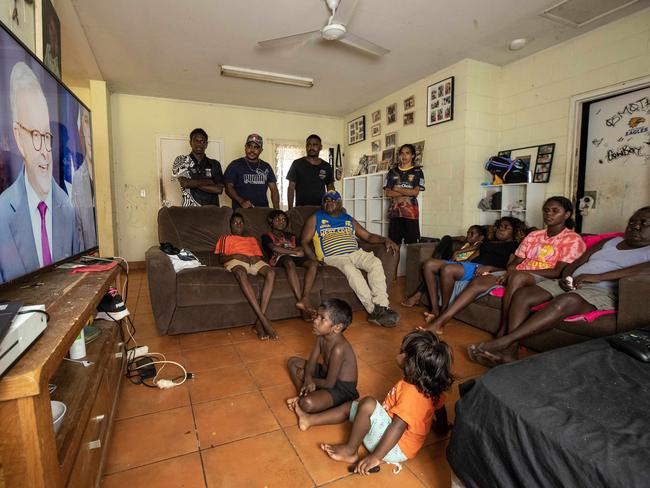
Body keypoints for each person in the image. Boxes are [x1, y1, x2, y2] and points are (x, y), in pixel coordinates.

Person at [469, 206, 650, 367]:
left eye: (644, 223)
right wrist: (567, 276)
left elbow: (642, 269)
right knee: (523, 295)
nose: (635, 226)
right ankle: (510, 353)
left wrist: (597, 277)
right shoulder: (609, 242)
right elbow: (578, 261)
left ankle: (503, 342)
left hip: (601, 290)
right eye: (632, 222)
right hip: (574, 282)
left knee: (567, 300)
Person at [293, 330, 453, 475]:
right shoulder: (431, 386)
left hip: (393, 448)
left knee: (368, 404)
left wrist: (376, 457)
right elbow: (440, 409)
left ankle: (350, 450)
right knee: (353, 406)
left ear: (409, 363)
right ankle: (309, 420)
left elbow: (397, 427)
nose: (399, 352)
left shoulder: (411, 392)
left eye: (402, 351)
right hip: (399, 444)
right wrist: (442, 428)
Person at [425, 197, 586, 335]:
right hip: (518, 273)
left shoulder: (572, 239)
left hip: (543, 277)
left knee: (518, 276)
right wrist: (508, 272)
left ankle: (503, 329)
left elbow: (558, 271)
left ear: (567, 214)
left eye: (554, 210)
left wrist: (516, 273)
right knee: (478, 282)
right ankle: (441, 322)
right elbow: (515, 262)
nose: (548, 214)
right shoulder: (534, 235)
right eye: (546, 210)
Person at [0, 62, 79, 283]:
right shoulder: (2, 215)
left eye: (46, 135)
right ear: (18, 137)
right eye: (35, 134)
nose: (45, 150)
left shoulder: (66, 207)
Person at [301, 190, 401, 327]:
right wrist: (313, 259)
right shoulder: (316, 218)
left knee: (375, 263)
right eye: (326, 200)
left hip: (355, 253)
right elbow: (304, 241)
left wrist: (385, 239)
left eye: (333, 200)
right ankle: (374, 311)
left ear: (340, 203)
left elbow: (368, 237)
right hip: (333, 256)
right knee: (351, 271)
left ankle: (382, 306)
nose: (329, 202)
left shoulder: (347, 218)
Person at [286, 299, 359, 415]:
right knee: (292, 362)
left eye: (322, 318)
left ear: (337, 327)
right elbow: (311, 361)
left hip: (341, 388)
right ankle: (303, 393)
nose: (315, 321)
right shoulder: (321, 337)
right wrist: (308, 379)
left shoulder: (339, 348)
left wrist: (309, 379)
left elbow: (330, 383)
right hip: (325, 375)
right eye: (316, 316)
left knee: (308, 403)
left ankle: (306, 398)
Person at [215, 213, 277, 340]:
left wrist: (255, 258)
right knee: (241, 273)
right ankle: (264, 321)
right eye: (235, 222)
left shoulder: (252, 239)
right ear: (230, 226)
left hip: (254, 262)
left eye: (241, 222)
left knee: (271, 272)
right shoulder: (225, 238)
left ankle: (259, 321)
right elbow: (221, 259)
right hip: (236, 261)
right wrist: (236, 256)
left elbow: (260, 257)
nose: (238, 224)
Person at [401, 224, 486, 309]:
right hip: (451, 261)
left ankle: (417, 294)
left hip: (458, 267)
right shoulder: (467, 243)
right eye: (468, 233)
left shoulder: (480, 244)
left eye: (472, 233)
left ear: (480, 237)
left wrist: (457, 252)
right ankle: (435, 258)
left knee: (434, 272)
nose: (468, 235)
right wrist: (457, 238)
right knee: (447, 238)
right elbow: (450, 241)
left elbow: (476, 249)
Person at [262, 210, 319, 317]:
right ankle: (300, 301)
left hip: (294, 256)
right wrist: (293, 251)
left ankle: (305, 298)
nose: (281, 222)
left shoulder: (291, 235)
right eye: (278, 219)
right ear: (271, 221)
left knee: (313, 264)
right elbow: (274, 248)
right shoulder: (266, 236)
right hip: (279, 258)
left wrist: (298, 251)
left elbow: (301, 249)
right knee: (289, 262)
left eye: (284, 220)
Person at [383, 144, 425, 245]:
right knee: (393, 245)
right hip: (395, 214)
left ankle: (412, 262)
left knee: (413, 247)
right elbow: (387, 192)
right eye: (402, 153)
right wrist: (406, 192)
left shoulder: (418, 171)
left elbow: (415, 192)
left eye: (407, 153)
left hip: (411, 214)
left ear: (413, 156)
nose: (404, 156)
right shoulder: (392, 172)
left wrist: (397, 188)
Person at [224, 134, 279, 209]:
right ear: (245, 147)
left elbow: (274, 190)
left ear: (261, 150)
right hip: (241, 212)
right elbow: (228, 187)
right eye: (249, 146)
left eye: (256, 147)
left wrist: (277, 210)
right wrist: (241, 201)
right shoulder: (235, 165)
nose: (252, 150)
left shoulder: (266, 167)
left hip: (262, 211)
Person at [171, 128, 224, 206]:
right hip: (190, 211)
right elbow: (184, 183)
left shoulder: (214, 164)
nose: (199, 144)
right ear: (190, 143)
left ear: (206, 144)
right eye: (196, 141)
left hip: (212, 211)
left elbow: (219, 189)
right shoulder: (181, 160)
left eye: (202, 141)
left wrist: (192, 183)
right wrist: (209, 182)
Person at [70, 107, 97, 250]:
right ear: (81, 129)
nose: (91, 133)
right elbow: (77, 229)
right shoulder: (78, 179)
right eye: (87, 122)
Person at [286, 134, 335, 209]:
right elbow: (291, 188)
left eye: (315, 145)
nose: (311, 147)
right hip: (301, 209)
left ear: (320, 147)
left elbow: (330, 188)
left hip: (321, 209)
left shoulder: (326, 166)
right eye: (309, 145)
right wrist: (290, 209)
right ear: (306, 147)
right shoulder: (297, 164)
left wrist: (331, 207)